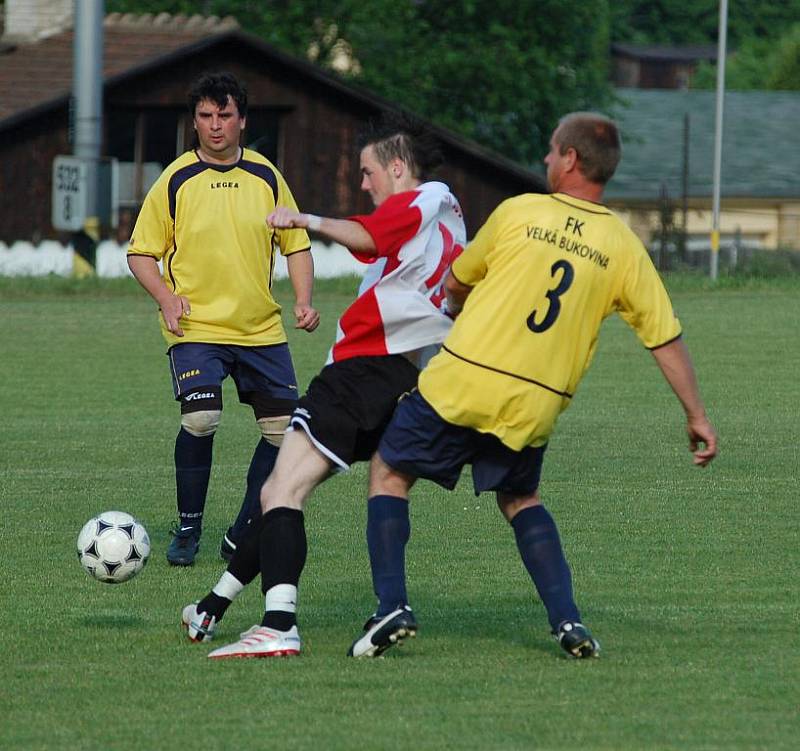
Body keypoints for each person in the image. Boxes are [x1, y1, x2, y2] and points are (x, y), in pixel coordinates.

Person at [345, 112, 718, 660]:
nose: (545, 159)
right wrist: (696, 416)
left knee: (389, 472)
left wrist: (453, 305)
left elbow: (456, 282)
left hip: (464, 379)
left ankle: (392, 605)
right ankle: (568, 622)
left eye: (550, 151)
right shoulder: (622, 245)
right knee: (520, 498)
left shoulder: (519, 212)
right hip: (534, 402)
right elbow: (664, 338)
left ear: (570, 160)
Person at [179, 112, 467, 657]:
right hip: (397, 380)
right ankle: (211, 606)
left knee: (282, 492)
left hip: (360, 372)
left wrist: (302, 219)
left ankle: (278, 623)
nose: (364, 185)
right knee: (280, 493)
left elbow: (365, 232)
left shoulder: (423, 199)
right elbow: (394, 256)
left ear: (398, 167)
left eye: (367, 173)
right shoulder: (449, 219)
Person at [127, 72, 319, 566]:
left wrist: (304, 299)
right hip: (197, 328)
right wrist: (166, 298)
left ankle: (241, 530)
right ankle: (188, 529)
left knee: (282, 433)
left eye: (225, 116)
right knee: (202, 417)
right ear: (195, 121)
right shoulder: (174, 179)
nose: (215, 126)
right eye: (206, 117)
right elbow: (141, 253)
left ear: (242, 120)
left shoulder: (267, 177)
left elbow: (296, 244)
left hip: (260, 329)